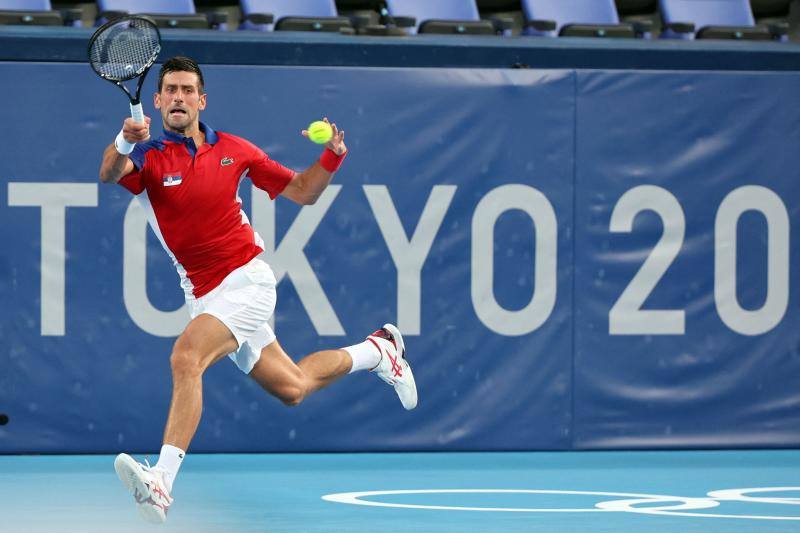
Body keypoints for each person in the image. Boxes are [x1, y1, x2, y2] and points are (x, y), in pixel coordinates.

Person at [99, 56, 417, 525]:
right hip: (203, 295)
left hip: (246, 281)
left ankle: (161, 482)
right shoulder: (145, 156)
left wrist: (332, 156)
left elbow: (304, 191)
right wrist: (126, 137)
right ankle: (378, 352)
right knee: (293, 388)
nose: (180, 97)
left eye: (189, 90)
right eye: (171, 90)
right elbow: (108, 172)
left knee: (187, 357)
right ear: (159, 100)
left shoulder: (236, 150)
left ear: (201, 101)